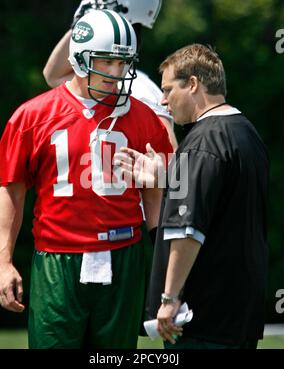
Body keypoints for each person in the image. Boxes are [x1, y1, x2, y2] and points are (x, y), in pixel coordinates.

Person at [0, 9, 173, 349]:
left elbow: (159, 193)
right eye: (106, 61)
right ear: (79, 57)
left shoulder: (144, 117)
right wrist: (3, 263)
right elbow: (12, 194)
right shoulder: (32, 116)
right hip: (57, 258)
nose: (116, 72)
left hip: (125, 255)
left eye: (123, 63)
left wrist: (163, 253)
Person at [115, 43, 269, 349]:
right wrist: (166, 179)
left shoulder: (200, 142)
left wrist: (170, 298)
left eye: (168, 89)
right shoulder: (246, 132)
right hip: (239, 314)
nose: (162, 100)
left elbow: (189, 230)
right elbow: (222, 206)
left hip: (203, 318)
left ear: (194, 84)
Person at [42, 0, 178, 150]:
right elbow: (53, 76)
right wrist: (84, 27)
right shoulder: (101, 79)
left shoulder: (139, 88)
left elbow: (171, 157)